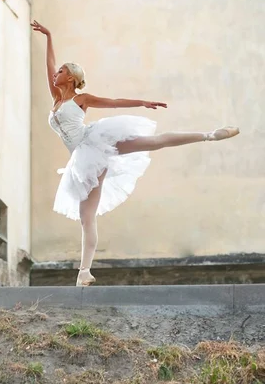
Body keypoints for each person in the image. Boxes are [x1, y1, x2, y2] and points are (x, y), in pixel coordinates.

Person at [31, 20, 240, 287]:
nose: (55, 74)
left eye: (60, 71)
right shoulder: (56, 99)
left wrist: (142, 102)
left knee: (153, 142)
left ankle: (210, 135)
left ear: (70, 77)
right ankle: (84, 272)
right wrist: (49, 35)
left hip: (94, 143)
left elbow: (113, 102)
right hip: (81, 160)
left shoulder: (81, 99)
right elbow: (48, 65)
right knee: (86, 218)